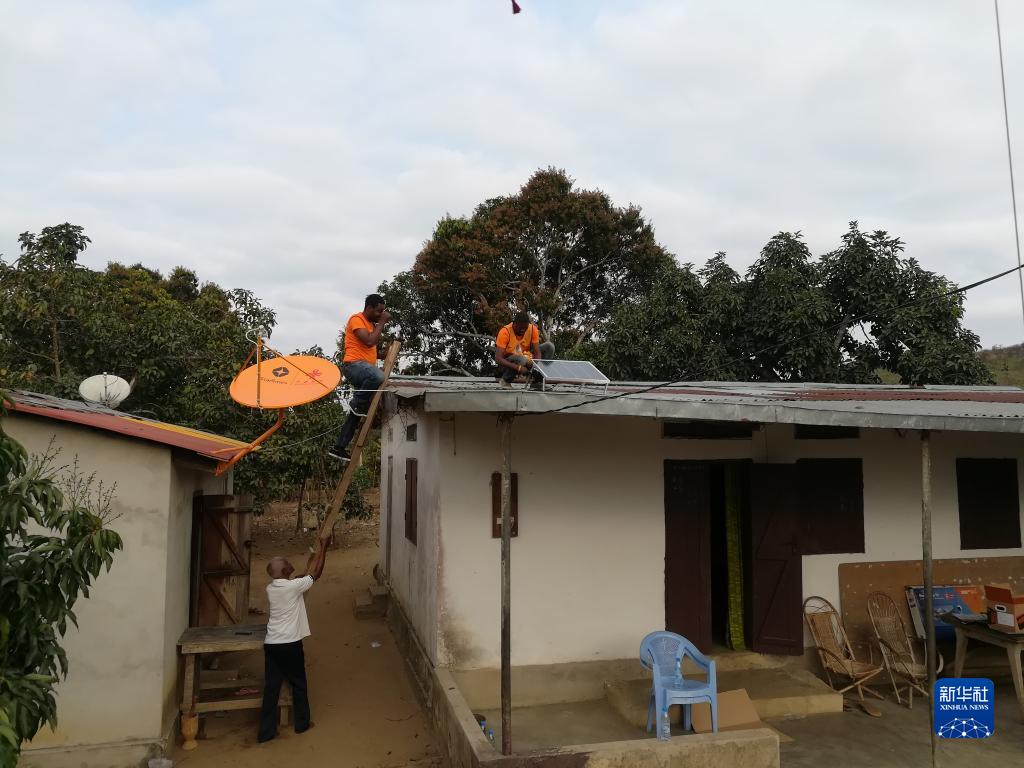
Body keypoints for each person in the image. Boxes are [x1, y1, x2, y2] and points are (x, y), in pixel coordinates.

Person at [258, 537, 328, 743]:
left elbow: (298, 579)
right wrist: (324, 548)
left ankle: (266, 732)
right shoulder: (293, 587)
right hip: (290, 644)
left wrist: (302, 574)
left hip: (272, 644)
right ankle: (302, 724)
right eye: (286, 563)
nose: (289, 563)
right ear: (284, 571)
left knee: (272, 687)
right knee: (298, 683)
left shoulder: (272, 588)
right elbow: (317, 574)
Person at [329, 294, 391, 461]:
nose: (380, 315)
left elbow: (370, 350)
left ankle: (339, 447)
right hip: (353, 366)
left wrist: (386, 354)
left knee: (356, 414)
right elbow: (369, 341)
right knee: (378, 377)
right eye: (379, 311)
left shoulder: (371, 325)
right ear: (369, 308)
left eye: (382, 312)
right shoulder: (356, 319)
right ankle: (357, 404)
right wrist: (382, 323)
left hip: (363, 369)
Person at [494, 311, 555, 388]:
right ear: (514, 324)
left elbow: (537, 352)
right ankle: (505, 380)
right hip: (507, 364)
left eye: (525, 328)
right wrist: (518, 368)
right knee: (522, 359)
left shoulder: (533, 329)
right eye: (520, 328)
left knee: (549, 346)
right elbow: (498, 359)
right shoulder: (505, 332)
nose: (522, 330)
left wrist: (536, 366)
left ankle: (537, 382)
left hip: (526, 359)